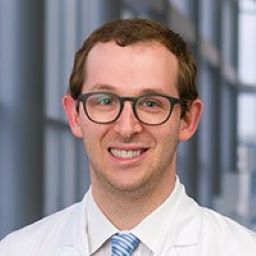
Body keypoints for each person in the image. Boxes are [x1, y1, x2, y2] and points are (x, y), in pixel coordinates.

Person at [0, 18, 255, 256]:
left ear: (188, 120)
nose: (126, 128)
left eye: (151, 104)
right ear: (75, 116)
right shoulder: (17, 250)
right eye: (105, 101)